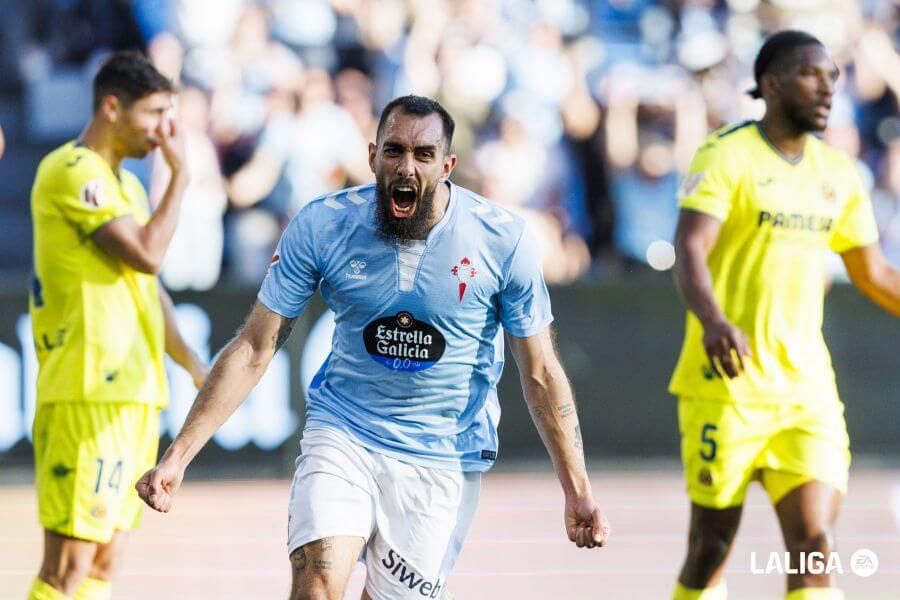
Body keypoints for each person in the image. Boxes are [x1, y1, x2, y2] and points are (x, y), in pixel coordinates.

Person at [136, 94, 610, 599]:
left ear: (447, 166)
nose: (407, 166)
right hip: (344, 433)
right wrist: (178, 456)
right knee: (317, 584)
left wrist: (577, 489)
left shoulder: (501, 241)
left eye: (424, 155)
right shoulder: (324, 225)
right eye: (394, 150)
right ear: (371, 156)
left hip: (441, 457)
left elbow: (540, 373)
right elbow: (255, 347)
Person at [670, 31, 900, 600]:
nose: (827, 87)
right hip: (726, 388)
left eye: (833, 78)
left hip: (806, 393)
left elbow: (874, 273)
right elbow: (690, 248)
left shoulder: (839, 173)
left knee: (815, 543)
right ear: (770, 84)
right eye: (810, 75)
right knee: (710, 551)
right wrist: (716, 321)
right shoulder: (726, 154)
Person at [27, 51, 206, 600]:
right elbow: (149, 255)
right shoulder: (71, 170)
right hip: (86, 393)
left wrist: (197, 367)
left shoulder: (125, 187)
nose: (164, 130)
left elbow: (149, 291)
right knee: (68, 568)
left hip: (133, 397)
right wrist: (181, 174)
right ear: (111, 107)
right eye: (155, 113)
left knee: (105, 561)